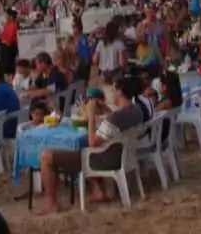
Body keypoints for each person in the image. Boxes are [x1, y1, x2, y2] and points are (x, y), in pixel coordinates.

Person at [37, 77, 144, 213]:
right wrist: (105, 109)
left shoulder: (115, 118)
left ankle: (51, 203)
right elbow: (117, 125)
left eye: (113, 90)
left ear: (120, 92)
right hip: (124, 155)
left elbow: (92, 143)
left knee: (46, 156)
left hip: (105, 160)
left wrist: (91, 115)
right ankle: (96, 190)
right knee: (78, 149)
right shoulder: (136, 110)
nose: (111, 93)